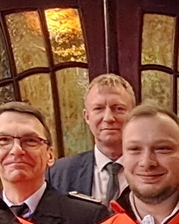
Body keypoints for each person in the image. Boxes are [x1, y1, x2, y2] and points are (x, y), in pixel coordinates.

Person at [46, 73, 135, 201]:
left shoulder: (151, 171)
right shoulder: (59, 174)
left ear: (133, 115)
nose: (108, 118)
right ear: (87, 116)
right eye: (99, 108)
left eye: (118, 108)